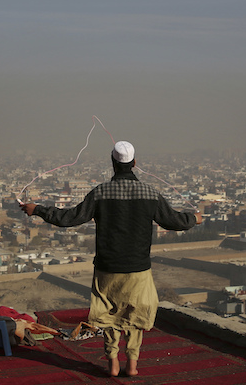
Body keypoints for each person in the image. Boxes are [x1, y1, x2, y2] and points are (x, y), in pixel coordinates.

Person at [20, 141, 202, 376]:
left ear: (113, 162)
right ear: (134, 163)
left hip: (107, 267)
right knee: (134, 315)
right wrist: (195, 219)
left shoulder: (100, 193)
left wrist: (38, 210)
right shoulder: (150, 193)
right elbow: (174, 221)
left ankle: (113, 361)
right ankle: (132, 364)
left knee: (109, 314)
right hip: (138, 268)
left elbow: (69, 218)